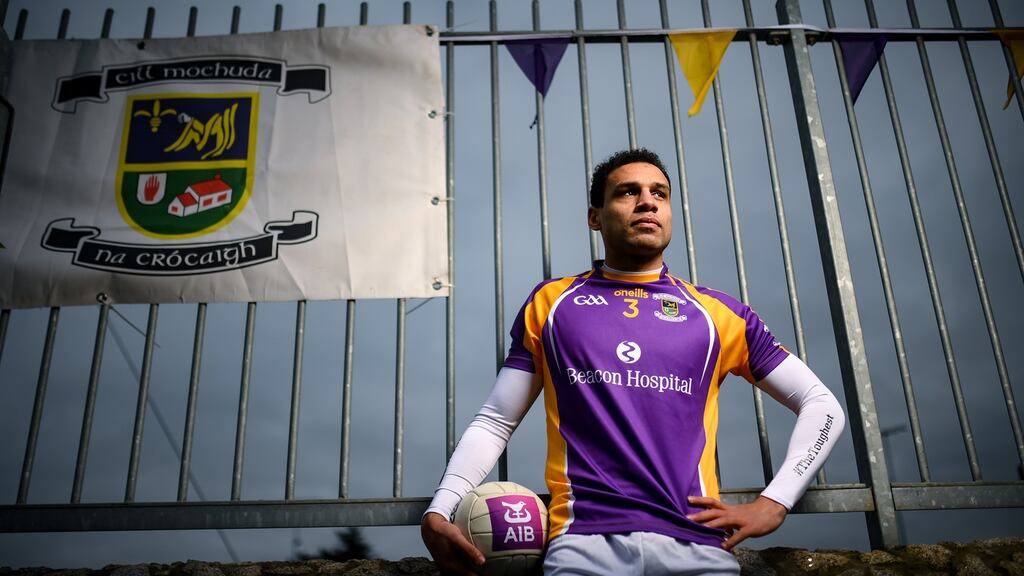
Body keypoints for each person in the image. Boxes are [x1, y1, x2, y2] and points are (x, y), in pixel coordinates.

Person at [421, 148, 846, 575]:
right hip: (583, 546)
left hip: (699, 545)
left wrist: (775, 503)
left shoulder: (719, 314)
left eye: (659, 193)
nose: (648, 201)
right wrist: (440, 508)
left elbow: (821, 405)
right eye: (628, 192)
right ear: (595, 217)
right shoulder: (551, 303)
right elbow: (496, 419)